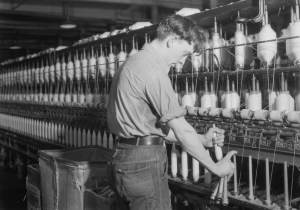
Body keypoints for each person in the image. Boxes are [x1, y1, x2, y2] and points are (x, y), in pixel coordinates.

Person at [107, 14, 236, 210]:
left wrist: (201, 139)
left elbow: (149, 127)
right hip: (143, 163)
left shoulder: (132, 63)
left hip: (124, 158)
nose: (183, 62)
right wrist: (217, 168)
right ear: (172, 41)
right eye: (184, 53)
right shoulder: (152, 71)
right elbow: (182, 131)